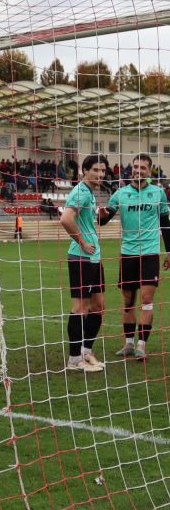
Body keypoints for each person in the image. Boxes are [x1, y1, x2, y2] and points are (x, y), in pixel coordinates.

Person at [100, 153, 170, 360]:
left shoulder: (158, 193)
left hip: (149, 253)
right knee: (128, 302)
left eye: (143, 167)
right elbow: (104, 220)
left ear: (149, 171)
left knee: (147, 300)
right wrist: (101, 215)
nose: (138, 170)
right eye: (135, 166)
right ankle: (128, 344)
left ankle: (142, 346)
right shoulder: (120, 194)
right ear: (131, 169)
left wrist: (169, 251)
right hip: (128, 254)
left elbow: (165, 223)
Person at [59, 153, 109, 373]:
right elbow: (65, 218)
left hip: (94, 258)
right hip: (82, 258)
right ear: (85, 171)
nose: (100, 174)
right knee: (80, 308)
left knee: (98, 306)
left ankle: (86, 352)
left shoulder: (89, 192)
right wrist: (81, 241)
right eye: (96, 170)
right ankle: (74, 359)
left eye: (103, 170)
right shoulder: (80, 191)